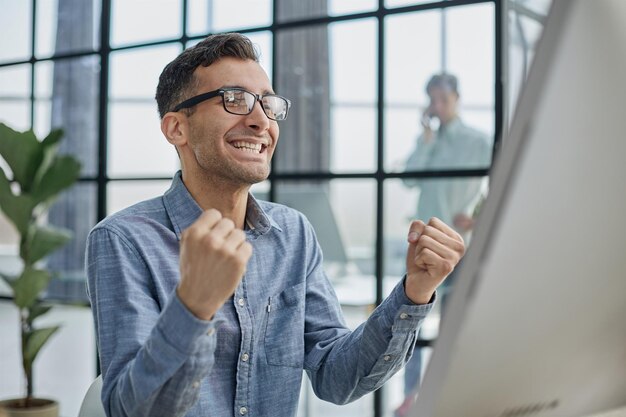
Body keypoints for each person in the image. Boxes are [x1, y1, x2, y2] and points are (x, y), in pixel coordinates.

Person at [86, 34, 466, 417]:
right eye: (234, 100)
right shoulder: (123, 240)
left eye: (268, 104)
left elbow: (336, 376)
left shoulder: (294, 233)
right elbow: (130, 410)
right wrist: (193, 307)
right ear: (176, 129)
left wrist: (415, 291)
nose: (259, 121)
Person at [396, 73, 491, 417]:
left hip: (459, 246)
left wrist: (480, 216)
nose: (437, 107)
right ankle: (411, 396)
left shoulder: (478, 141)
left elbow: (501, 178)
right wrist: (425, 139)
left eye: (442, 100)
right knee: (411, 322)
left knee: (454, 327)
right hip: (422, 245)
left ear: (456, 99)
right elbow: (407, 179)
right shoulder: (429, 141)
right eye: (432, 101)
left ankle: (449, 395)